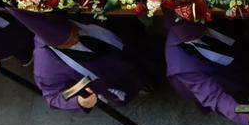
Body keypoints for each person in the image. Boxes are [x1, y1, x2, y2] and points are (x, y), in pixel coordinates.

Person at [10, 10, 151, 112]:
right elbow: (52, 97)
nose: (75, 38)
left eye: (74, 32)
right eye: (69, 42)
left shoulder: (67, 11)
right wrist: (78, 101)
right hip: (111, 76)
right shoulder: (46, 67)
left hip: (121, 43)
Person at [164, 12, 249, 125]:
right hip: (225, 83)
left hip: (239, 57)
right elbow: (214, 97)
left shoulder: (208, 15)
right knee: (242, 98)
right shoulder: (180, 65)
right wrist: (246, 117)